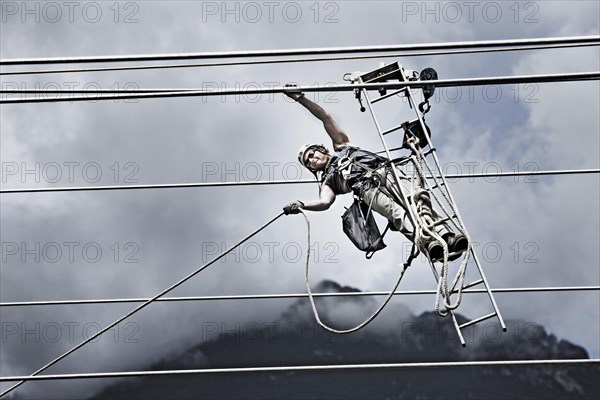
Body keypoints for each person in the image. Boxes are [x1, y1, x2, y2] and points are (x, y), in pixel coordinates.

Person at [282, 87, 468, 262]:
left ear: (320, 149)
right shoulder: (327, 181)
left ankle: (446, 236)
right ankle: (431, 245)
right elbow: (324, 202)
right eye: (308, 162)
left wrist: (301, 98)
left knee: (416, 200)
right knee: (398, 215)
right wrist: (301, 205)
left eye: (312, 155)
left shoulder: (341, 146)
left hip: (386, 172)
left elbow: (325, 117)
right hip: (368, 190)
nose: (312, 160)